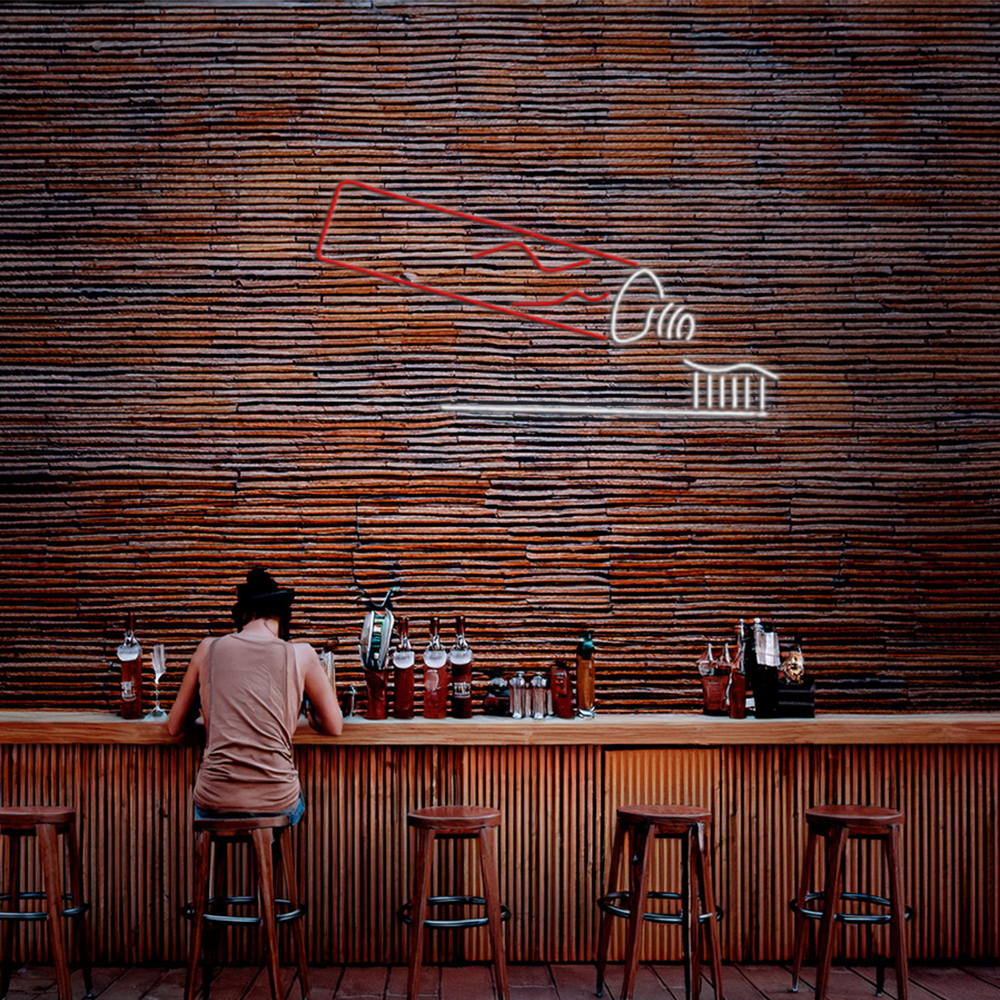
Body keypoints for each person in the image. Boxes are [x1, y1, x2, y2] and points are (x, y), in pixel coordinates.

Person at [167, 568, 343, 824]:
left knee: (210, 809)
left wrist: (216, 722)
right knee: (288, 806)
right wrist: (314, 721)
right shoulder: (302, 653)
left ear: (244, 616)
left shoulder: (208, 648)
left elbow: (174, 727)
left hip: (214, 799)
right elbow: (335, 726)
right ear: (281, 618)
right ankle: (267, 847)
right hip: (277, 798)